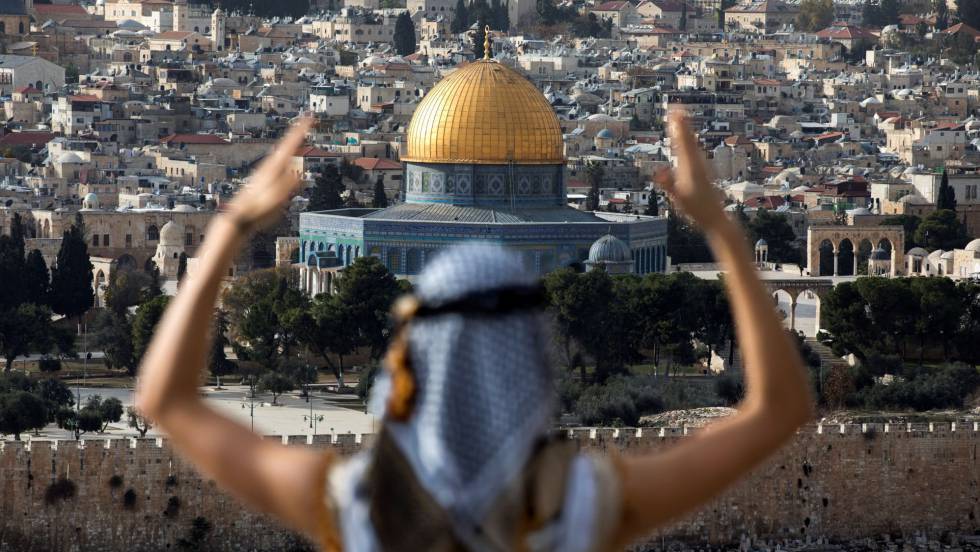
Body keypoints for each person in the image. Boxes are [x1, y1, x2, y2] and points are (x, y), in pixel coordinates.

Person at [136, 112, 813, 551]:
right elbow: (778, 409)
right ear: (534, 356)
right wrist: (721, 229)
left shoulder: (361, 515)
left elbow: (168, 402)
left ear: (410, 363)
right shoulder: (577, 511)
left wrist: (230, 226)